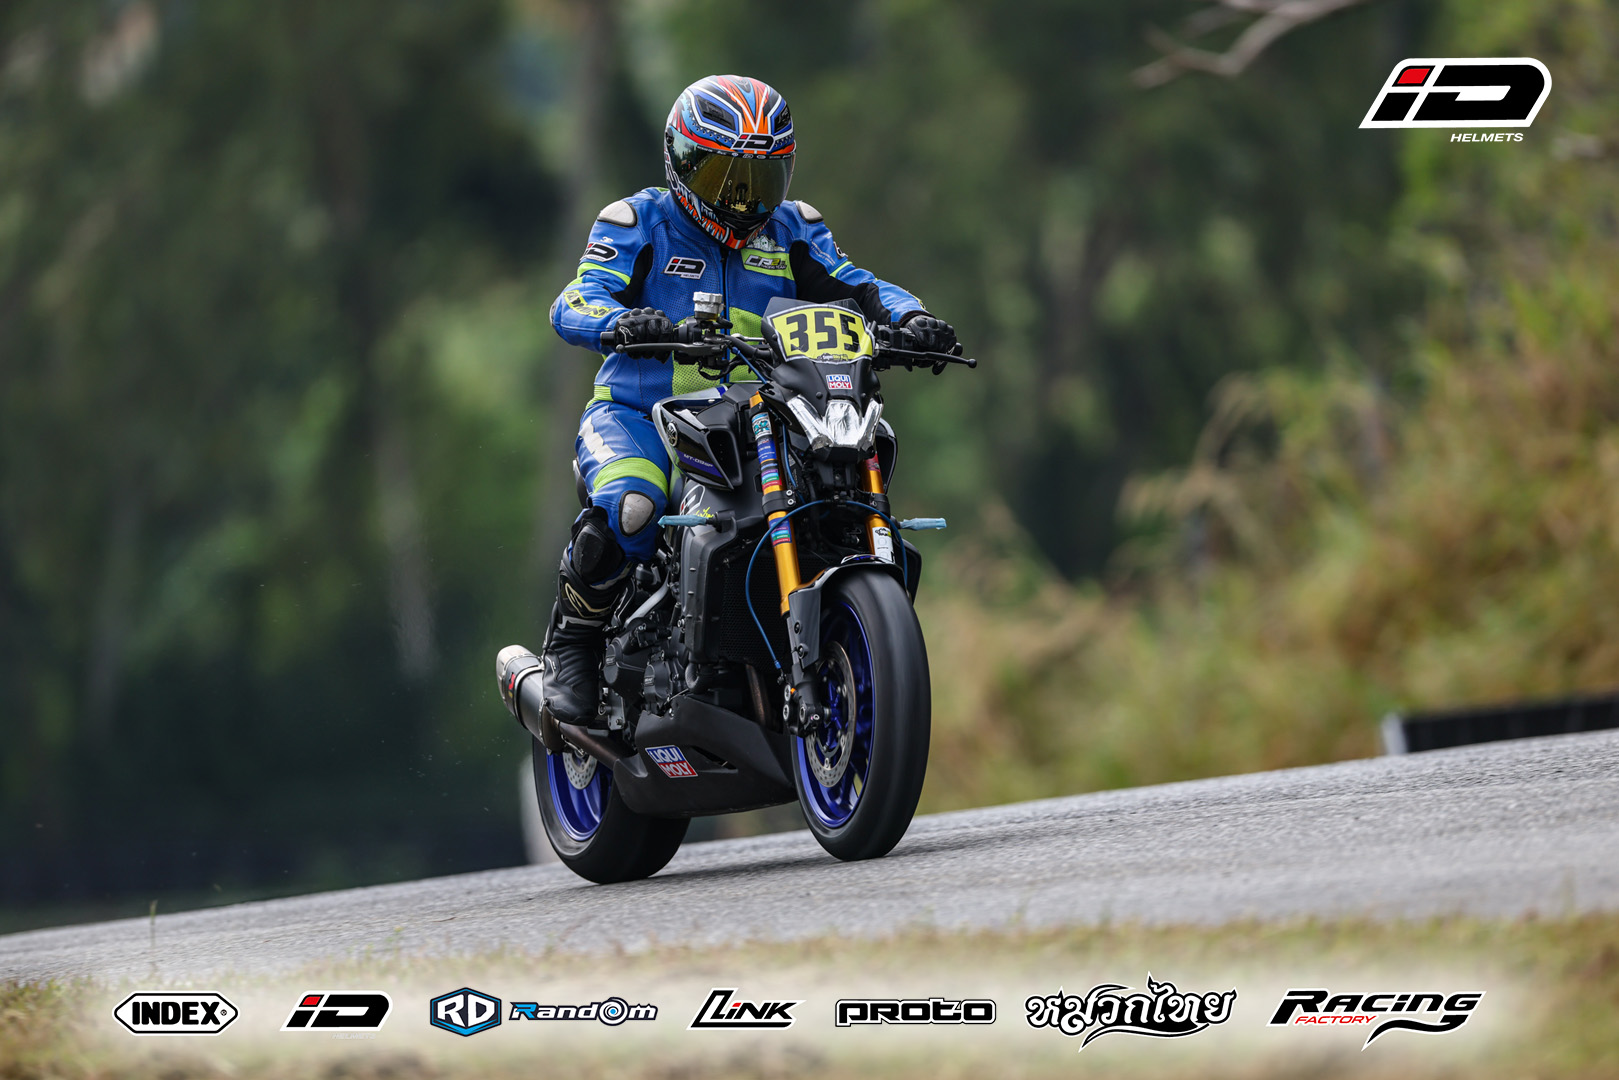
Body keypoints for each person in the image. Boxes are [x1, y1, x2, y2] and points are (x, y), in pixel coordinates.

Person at [502, 74, 957, 728]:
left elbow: (859, 285)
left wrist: (913, 320)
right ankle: (573, 642)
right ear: (682, 163)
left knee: (851, 459)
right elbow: (576, 298)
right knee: (632, 507)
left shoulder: (795, 229)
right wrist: (620, 322)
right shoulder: (637, 221)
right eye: (726, 177)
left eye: (761, 179)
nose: (744, 199)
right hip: (639, 416)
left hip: (762, 414)